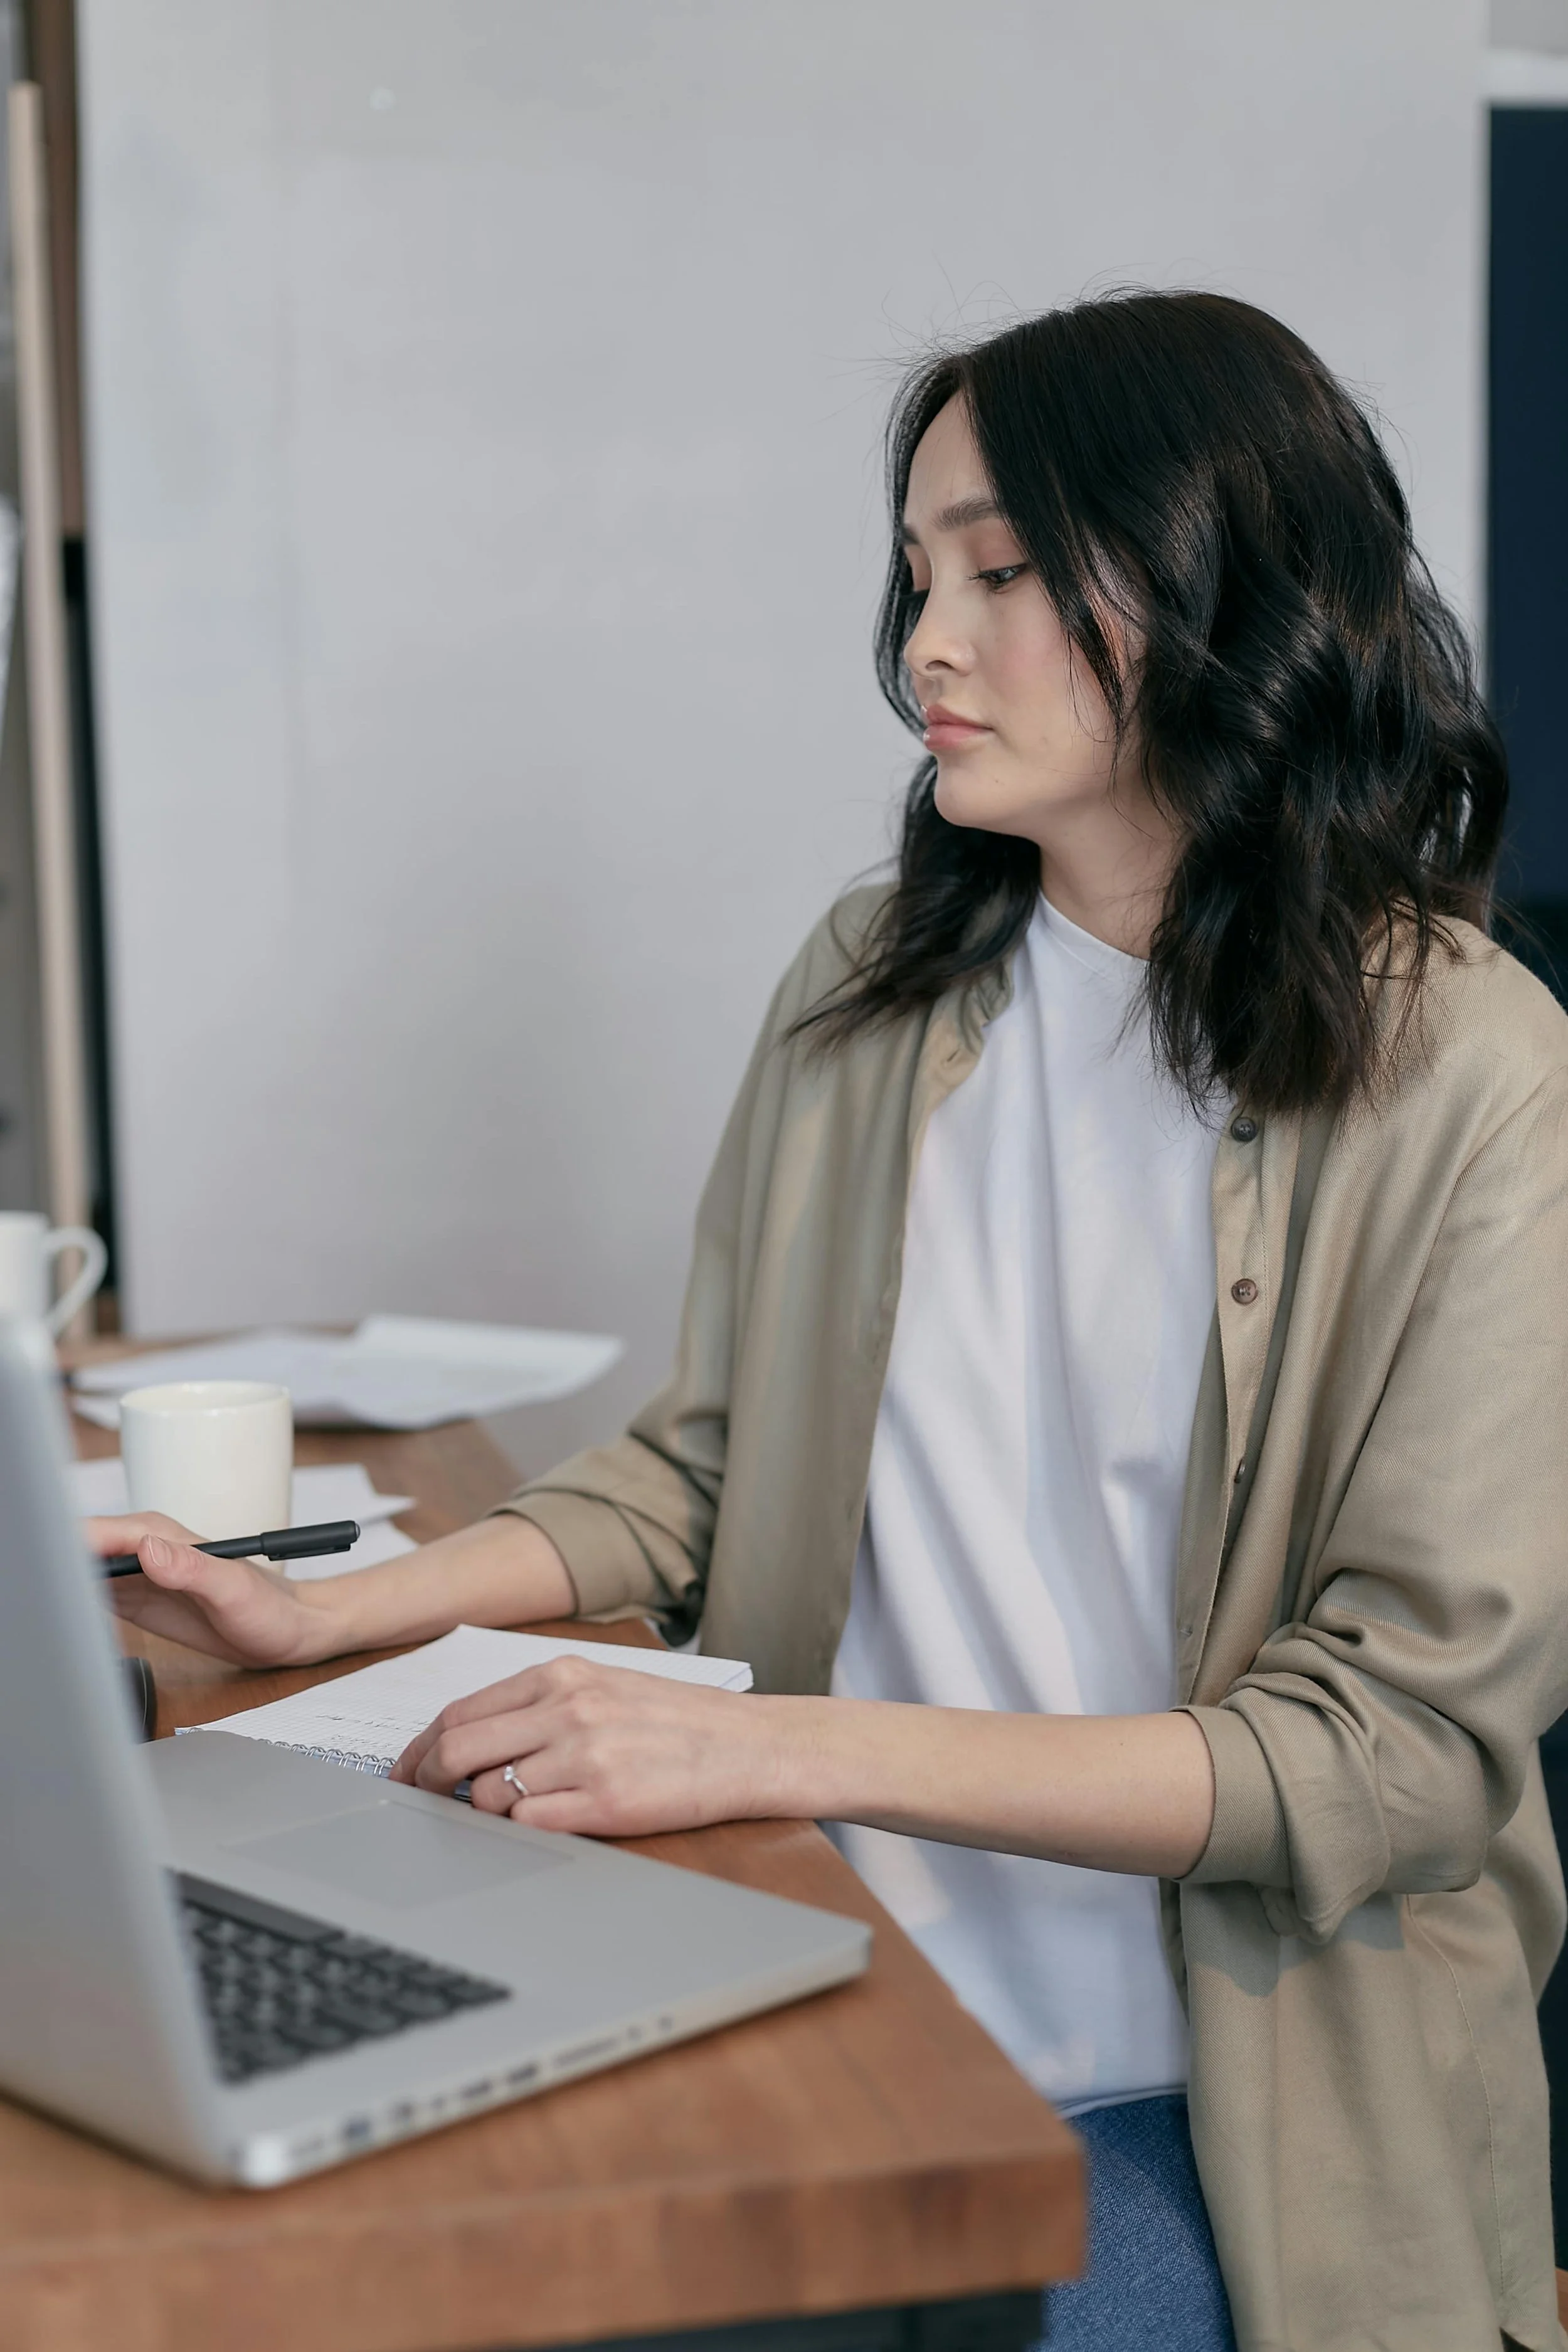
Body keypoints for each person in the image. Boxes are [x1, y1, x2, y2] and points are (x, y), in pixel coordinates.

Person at [95, 291, 1568, 2352]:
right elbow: (710, 1459)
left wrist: (746, 1740)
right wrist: (335, 1608)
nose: (924, 648)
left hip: (1209, 2103)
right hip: (810, 1946)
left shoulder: (1478, 1071)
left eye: (999, 569)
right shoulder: (871, 980)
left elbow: (1385, 1758)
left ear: (1221, 575)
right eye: (911, 576)